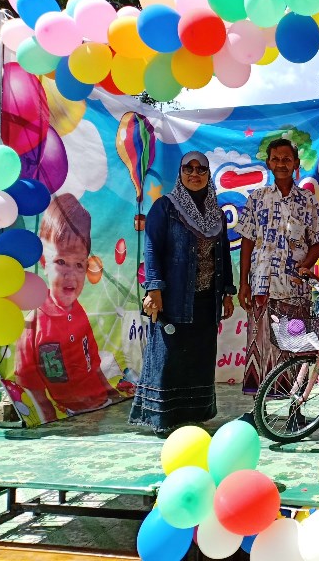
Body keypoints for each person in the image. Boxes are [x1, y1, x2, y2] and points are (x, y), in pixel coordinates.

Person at [129, 151, 235, 435]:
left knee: (199, 358)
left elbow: (223, 254)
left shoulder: (216, 214)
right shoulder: (166, 207)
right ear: (180, 173)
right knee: (170, 357)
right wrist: (154, 288)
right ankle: (163, 419)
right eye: (189, 168)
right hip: (174, 298)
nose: (195, 174)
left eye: (201, 169)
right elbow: (152, 248)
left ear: (208, 174)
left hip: (206, 300)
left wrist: (227, 292)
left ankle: (194, 415)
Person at [15, 193, 122, 425]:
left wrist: (112, 395)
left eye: (79, 264)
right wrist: (49, 418)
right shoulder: (33, 324)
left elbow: (94, 363)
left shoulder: (80, 312)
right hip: (68, 416)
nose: (70, 275)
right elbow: (29, 382)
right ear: (44, 263)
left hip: (101, 406)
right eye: (61, 262)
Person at [238, 138, 319, 408]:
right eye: (276, 159)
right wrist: (244, 283)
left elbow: (317, 241)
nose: (281, 164)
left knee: (296, 348)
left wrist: (305, 267)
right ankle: (258, 410)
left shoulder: (307, 200)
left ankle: (296, 410)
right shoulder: (257, 198)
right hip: (261, 289)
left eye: (287, 159)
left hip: (295, 291)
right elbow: (247, 241)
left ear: (296, 163)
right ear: (268, 163)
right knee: (261, 346)